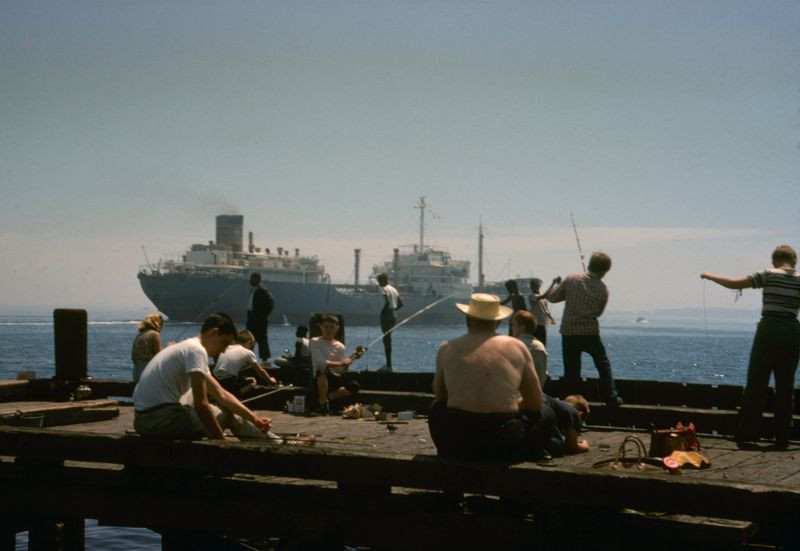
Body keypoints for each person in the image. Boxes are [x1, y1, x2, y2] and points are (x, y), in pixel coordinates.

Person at [429, 293, 554, 461]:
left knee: (435, 407)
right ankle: (533, 453)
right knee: (547, 411)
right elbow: (534, 403)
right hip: (501, 440)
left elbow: (441, 395)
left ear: (468, 318)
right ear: (497, 321)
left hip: (457, 439)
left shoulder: (446, 348)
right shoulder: (517, 346)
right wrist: (510, 404)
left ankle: (447, 454)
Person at [701, 245, 800, 449]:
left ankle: (747, 433)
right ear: (795, 260)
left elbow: (734, 283)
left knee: (756, 382)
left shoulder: (769, 274)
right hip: (792, 329)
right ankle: (782, 437)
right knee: (785, 386)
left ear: (774, 261)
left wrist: (710, 276)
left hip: (769, 327)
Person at [133, 313, 274, 440]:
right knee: (228, 415)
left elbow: (221, 394)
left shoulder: (185, 347)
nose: (224, 350)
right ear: (214, 333)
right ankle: (271, 444)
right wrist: (221, 440)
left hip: (142, 421)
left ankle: (267, 438)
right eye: (224, 343)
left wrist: (255, 419)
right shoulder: (197, 350)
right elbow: (201, 405)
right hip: (162, 420)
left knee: (216, 405)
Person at [546, 252, 622, 407]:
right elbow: (599, 313)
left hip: (569, 332)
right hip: (590, 333)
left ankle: (571, 403)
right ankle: (611, 397)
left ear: (589, 265)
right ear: (604, 271)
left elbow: (552, 298)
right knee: (603, 365)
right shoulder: (603, 289)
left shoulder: (572, 279)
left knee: (572, 370)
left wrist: (555, 284)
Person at [310, 315, 361, 414]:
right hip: (320, 378)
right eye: (326, 326)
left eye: (331, 327)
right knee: (321, 372)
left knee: (355, 386)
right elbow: (320, 363)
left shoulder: (340, 346)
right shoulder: (315, 342)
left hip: (335, 378)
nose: (328, 329)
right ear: (321, 327)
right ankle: (323, 404)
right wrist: (342, 363)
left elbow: (341, 370)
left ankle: (328, 397)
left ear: (337, 328)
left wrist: (351, 359)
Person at [214, 330, 278, 395]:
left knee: (246, 378)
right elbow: (261, 371)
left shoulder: (227, 347)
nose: (251, 348)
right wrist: (271, 381)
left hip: (216, 379)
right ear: (249, 342)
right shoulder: (248, 352)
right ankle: (237, 394)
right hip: (228, 381)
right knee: (253, 381)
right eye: (252, 345)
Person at [511, 310, 548, 388]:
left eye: (514, 324)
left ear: (522, 327)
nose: (512, 327)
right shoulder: (540, 346)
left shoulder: (514, 346)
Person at [246, 272, 275, 363]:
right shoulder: (254, 289)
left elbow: (271, 302)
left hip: (259, 319)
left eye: (251, 278)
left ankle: (265, 360)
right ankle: (248, 359)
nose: (249, 280)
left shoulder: (262, 290)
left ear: (257, 279)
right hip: (252, 318)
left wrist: (264, 314)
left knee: (262, 339)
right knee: (250, 339)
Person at [377, 273, 403, 371]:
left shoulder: (384, 289)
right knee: (388, 339)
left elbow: (386, 302)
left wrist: (382, 312)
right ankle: (389, 364)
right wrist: (393, 312)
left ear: (383, 280)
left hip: (386, 314)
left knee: (386, 339)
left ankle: (388, 366)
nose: (379, 283)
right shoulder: (394, 289)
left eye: (379, 281)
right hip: (393, 315)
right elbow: (400, 304)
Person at [131, 312, 164, 383]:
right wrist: (171, 348)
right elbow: (159, 355)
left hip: (136, 373)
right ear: (157, 323)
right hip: (147, 373)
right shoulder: (154, 334)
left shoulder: (140, 335)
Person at [528, 278, 556, 347]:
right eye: (533, 286)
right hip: (535, 325)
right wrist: (553, 284)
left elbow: (545, 309)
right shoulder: (532, 296)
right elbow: (544, 295)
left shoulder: (542, 298)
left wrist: (550, 317)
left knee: (543, 345)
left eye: (535, 286)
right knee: (535, 345)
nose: (534, 287)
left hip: (542, 324)